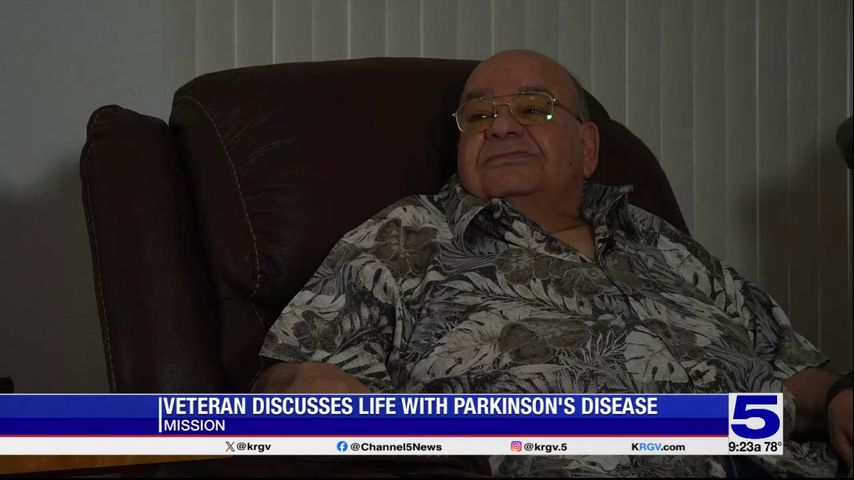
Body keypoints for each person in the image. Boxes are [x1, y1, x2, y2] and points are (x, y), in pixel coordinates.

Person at [252, 50, 853, 477]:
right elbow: (290, 381)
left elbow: (787, 370)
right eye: (479, 116)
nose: (501, 126)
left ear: (587, 148)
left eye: (532, 108)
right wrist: (303, 388)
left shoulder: (661, 241)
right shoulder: (409, 235)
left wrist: (838, 398)